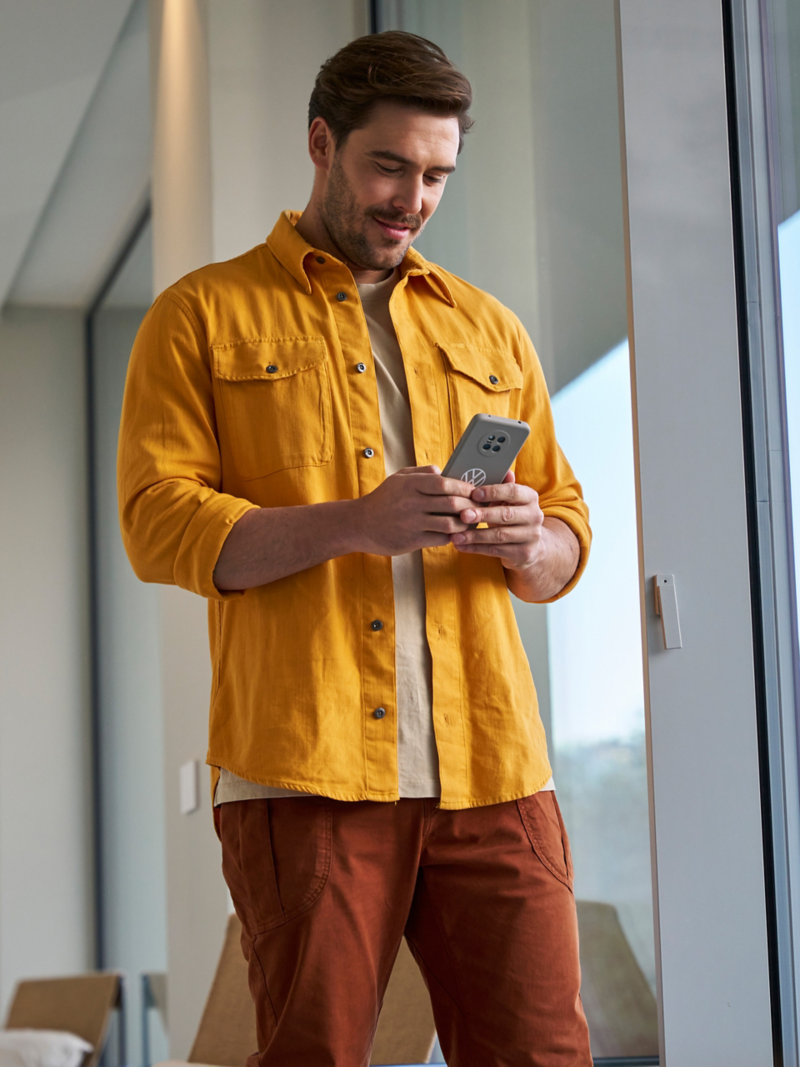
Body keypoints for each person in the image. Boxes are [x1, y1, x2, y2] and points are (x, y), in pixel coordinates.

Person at [118, 29, 592, 1067]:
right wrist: (353, 522)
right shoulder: (198, 314)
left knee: (544, 1053)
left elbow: (564, 539)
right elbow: (157, 521)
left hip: (495, 771)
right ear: (321, 144)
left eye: (435, 175)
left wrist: (530, 540)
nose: (412, 197)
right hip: (306, 770)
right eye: (389, 164)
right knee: (312, 1052)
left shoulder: (490, 328)